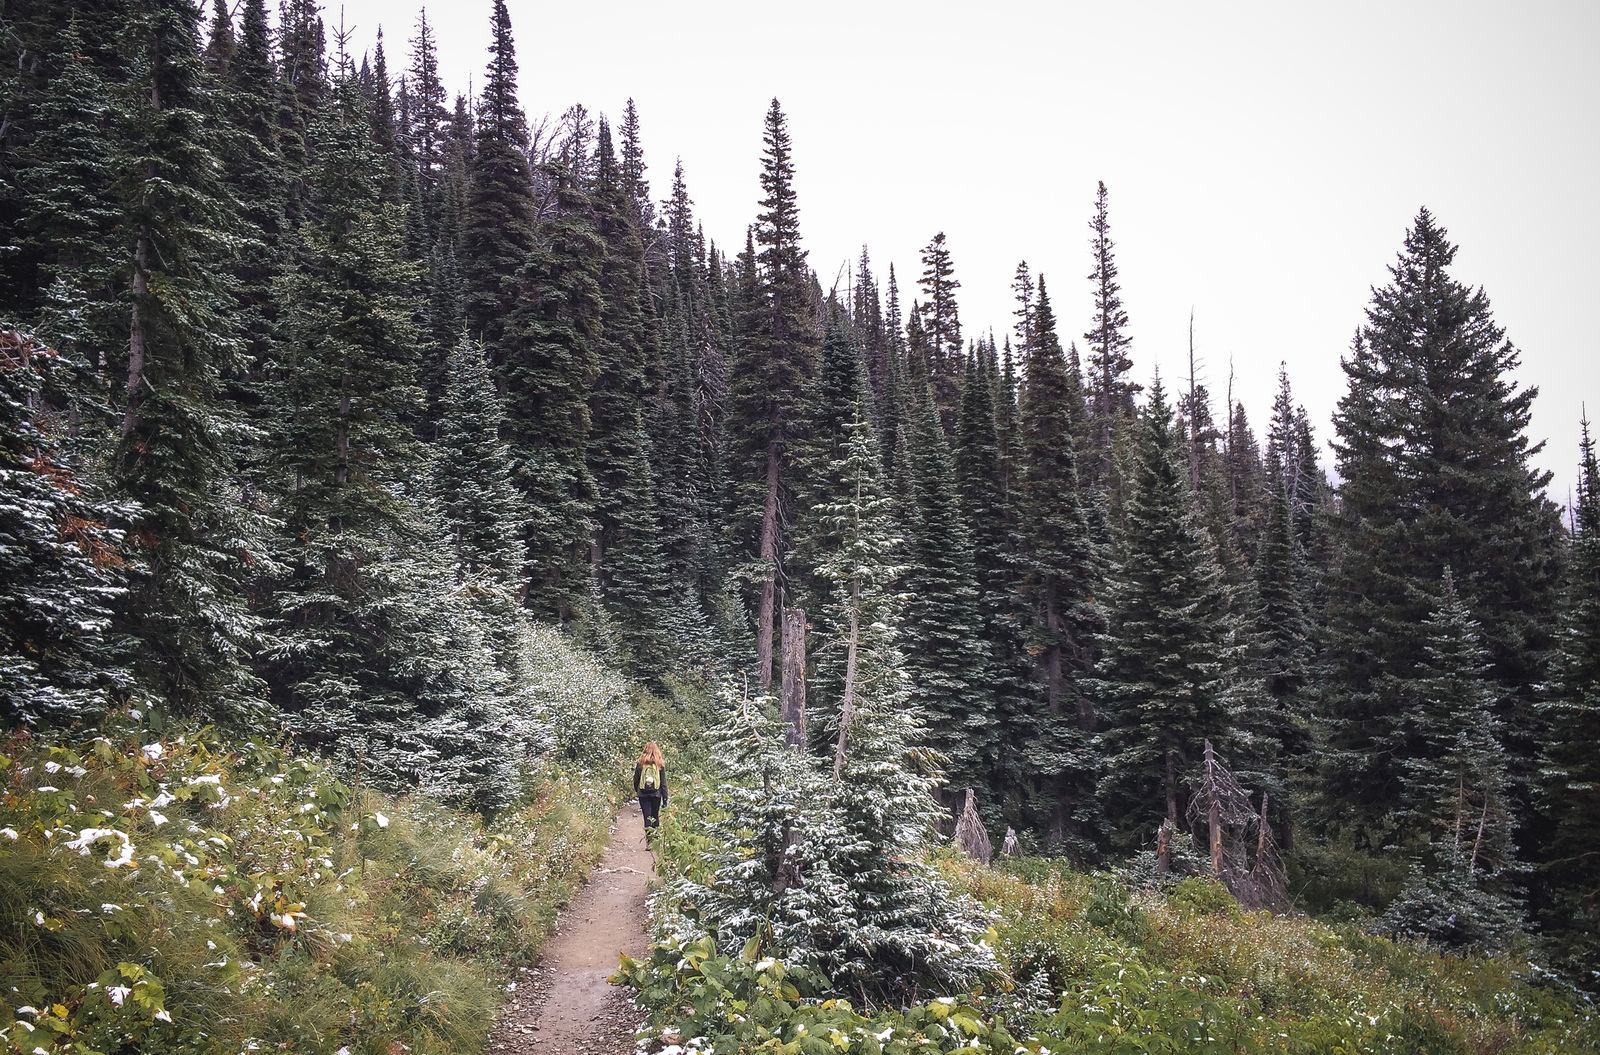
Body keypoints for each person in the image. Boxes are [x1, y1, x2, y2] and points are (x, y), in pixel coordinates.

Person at [633, 741, 668, 832]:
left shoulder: (640, 763)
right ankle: (655, 841)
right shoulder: (660, 764)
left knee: (647, 818)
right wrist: (665, 798)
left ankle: (649, 842)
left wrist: (638, 790)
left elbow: (636, 779)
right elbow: (663, 783)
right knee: (655, 817)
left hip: (643, 794)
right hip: (656, 794)